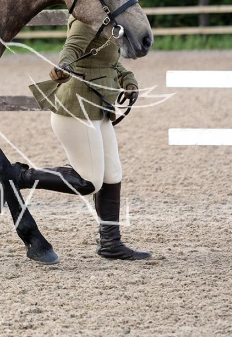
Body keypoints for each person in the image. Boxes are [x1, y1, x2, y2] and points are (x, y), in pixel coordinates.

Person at [23, 15, 151, 260]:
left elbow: (108, 62)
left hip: (98, 110)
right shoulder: (85, 20)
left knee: (112, 175)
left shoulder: (109, 21)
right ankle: (19, 176)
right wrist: (63, 66)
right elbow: (71, 49)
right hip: (76, 110)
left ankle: (110, 244)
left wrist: (128, 80)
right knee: (89, 182)